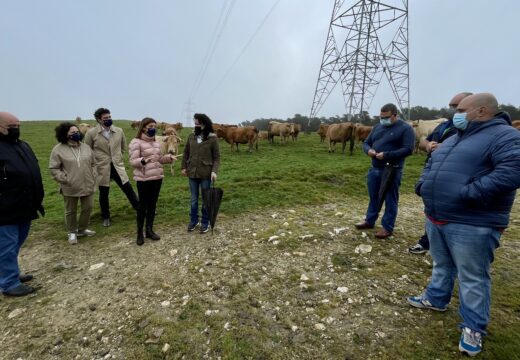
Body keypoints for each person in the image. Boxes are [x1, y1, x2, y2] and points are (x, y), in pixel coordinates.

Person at [407, 93, 520, 356]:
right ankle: (436, 298)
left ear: (481, 111)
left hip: (473, 222)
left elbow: (513, 170)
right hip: (437, 217)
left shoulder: (505, 136)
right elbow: (432, 163)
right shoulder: (454, 137)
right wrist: (423, 185)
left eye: (460, 109)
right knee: (442, 264)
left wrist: (470, 193)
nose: (454, 114)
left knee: (472, 276)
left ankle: (473, 327)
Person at [408, 92, 473, 254]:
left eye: (458, 108)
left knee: (455, 212)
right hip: (434, 173)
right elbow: (423, 140)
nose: (453, 111)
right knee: (432, 209)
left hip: (459, 178)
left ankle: (452, 247)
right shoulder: (444, 125)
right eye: (452, 107)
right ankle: (428, 242)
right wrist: (428, 145)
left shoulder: (478, 129)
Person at [0, 112, 44, 296]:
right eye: (12, 127)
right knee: (6, 245)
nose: (16, 130)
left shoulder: (22, 145)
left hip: (25, 205)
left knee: (17, 242)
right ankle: (9, 283)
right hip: (5, 207)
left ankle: (12, 273)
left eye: (18, 126)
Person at [355, 103, 415, 239]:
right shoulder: (377, 127)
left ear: (395, 115)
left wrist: (387, 154)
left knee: (390, 198)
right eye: (381, 117)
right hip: (375, 168)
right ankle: (369, 221)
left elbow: (408, 149)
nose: (383, 120)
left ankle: (387, 227)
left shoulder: (406, 129)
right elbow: (366, 143)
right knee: (374, 196)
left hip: (392, 169)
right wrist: (368, 150)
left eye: (386, 117)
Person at [84, 108, 139, 227]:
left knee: (128, 189)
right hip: (102, 167)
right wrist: (96, 162)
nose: (108, 119)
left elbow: (123, 147)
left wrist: (117, 157)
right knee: (104, 193)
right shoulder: (91, 133)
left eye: (109, 117)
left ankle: (139, 209)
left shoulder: (119, 131)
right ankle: (106, 217)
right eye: (105, 118)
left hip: (117, 166)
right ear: (99, 120)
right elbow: (87, 151)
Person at [129, 118, 175, 245]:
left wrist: (169, 158)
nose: (153, 128)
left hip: (157, 178)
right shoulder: (136, 142)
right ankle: (139, 233)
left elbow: (159, 159)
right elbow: (133, 161)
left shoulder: (156, 143)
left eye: (154, 126)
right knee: (142, 206)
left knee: (152, 205)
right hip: (143, 179)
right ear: (143, 127)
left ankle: (149, 230)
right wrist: (143, 161)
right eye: (150, 126)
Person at [49, 122, 97, 244]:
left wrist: (93, 174)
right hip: (70, 186)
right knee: (71, 210)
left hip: (88, 183)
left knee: (88, 207)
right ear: (65, 135)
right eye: (72, 132)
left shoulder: (86, 147)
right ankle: (72, 232)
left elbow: (93, 163)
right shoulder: (58, 149)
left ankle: (82, 229)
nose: (76, 134)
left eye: (77, 132)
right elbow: (54, 168)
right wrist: (65, 179)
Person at [181, 113, 220, 234]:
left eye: (198, 123)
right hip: (192, 172)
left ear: (204, 123)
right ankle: (193, 220)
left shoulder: (212, 138)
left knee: (205, 199)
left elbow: (216, 157)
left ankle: (205, 222)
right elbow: (186, 152)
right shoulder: (191, 136)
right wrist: (183, 167)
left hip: (206, 174)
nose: (196, 125)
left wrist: (214, 171)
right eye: (195, 123)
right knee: (193, 199)